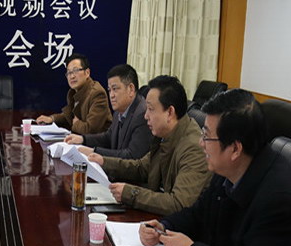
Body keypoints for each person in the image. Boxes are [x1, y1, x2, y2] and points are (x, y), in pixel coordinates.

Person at [139, 89, 291, 246]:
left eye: (207, 136)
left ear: (234, 149)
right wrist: (164, 227)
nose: (201, 143)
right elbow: (198, 214)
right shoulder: (231, 169)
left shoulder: (280, 201)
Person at [88, 75, 210, 216]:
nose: (146, 116)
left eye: (151, 109)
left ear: (170, 112)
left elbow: (178, 203)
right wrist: (103, 161)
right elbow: (142, 167)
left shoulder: (194, 148)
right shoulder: (165, 135)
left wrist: (130, 193)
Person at [63, 63, 153, 159]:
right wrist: (83, 139)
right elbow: (109, 137)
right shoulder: (119, 111)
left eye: (115, 89)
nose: (111, 95)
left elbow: (131, 156)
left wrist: (94, 152)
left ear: (131, 89)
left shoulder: (142, 115)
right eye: (109, 90)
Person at [36, 53, 111, 135]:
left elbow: (90, 130)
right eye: (69, 72)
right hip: (81, 139)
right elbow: (69, 116)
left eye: (76, 71)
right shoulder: (74, 92)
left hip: (96, 142)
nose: (72, 76)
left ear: (87, 72)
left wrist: (76, 123)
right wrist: (51, 119)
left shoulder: (97, 94)